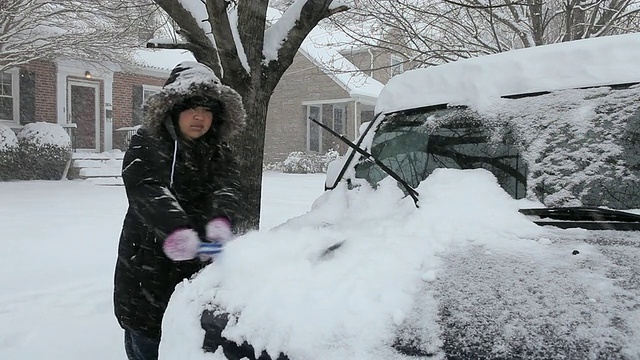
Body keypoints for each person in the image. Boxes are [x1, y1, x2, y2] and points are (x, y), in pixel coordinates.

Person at [113, 61, 246, 360]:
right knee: (148, 340)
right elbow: (146, 189)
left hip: (197, 273)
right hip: (146, 270)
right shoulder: (146, 143)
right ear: (172, 108)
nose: (200, 116)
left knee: (186, 341)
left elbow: (229, 187)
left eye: (208, 109)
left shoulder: (220, 152)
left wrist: (221, 221)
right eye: (191, 107)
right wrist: (176, 229)